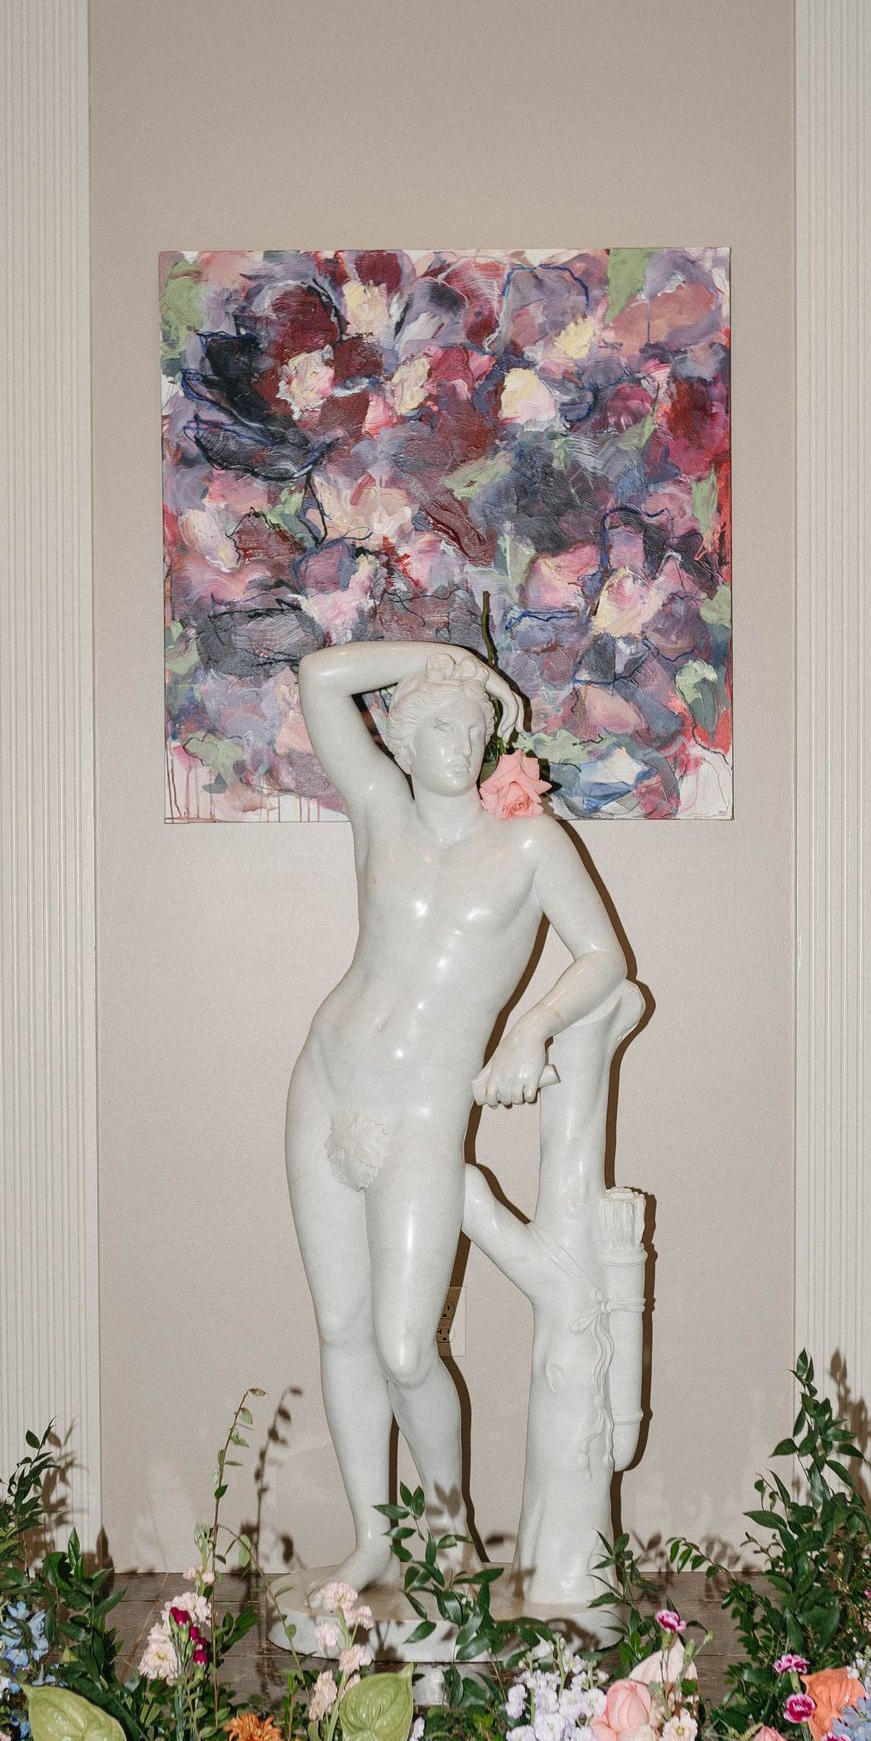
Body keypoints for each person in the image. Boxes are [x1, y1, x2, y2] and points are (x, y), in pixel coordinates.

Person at [288, 640, 627, 1590]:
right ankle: (372, 1538)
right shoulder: (380, 810)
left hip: (423, 1109)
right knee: (342, 1324)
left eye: (472, 726)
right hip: (326, 1080)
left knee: (404, 1344)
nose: (454, 739)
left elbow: (602, 957)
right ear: (398, 736)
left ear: (491, 744)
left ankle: (446, 1529)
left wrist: (531, 1028)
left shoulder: (528, 844)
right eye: (435, 722)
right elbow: (321, 677)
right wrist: (442, 657)